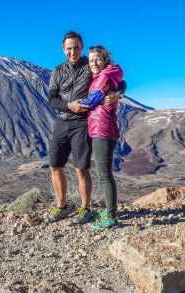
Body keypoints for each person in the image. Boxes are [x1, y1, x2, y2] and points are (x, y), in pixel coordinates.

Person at [46, 31, 124, 224]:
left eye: (76, 47)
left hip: (82, 123)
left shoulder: (90, 66)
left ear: (81, 47)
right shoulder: (57, 71)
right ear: (63, 49)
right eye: (69, 48)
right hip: (62, 122)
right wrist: (68, 106)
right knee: (55, 165)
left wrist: (118, 93)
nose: (73, 51)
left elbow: (119, 80)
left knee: (81, 168)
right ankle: (61, 206)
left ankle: (85, 209)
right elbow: (52, 99)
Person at [77, 45, 123, 229]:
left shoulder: (103, 77)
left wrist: (70, 104)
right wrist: (119, 91)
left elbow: (92, 101)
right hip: (101, 129)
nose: (93, 63)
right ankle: (110, 212)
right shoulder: (103, 76)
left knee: (104, 175)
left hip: (103, 130)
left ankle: (111, 217)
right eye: (90, 60)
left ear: (105, 60)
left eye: (97, 59)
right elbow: (122, 84)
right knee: (104, 174)